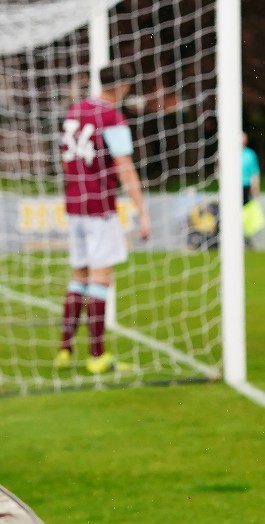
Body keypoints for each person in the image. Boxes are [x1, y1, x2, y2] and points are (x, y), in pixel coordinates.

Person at [56, 64, 152, 375]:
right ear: (123, 87)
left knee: (79, 276)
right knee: (101, 278)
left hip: (74, 204)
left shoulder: (74, 111)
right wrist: (142, 211)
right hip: (99, 206)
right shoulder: (112, 117)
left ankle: (64, 350)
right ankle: (97, 356)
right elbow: (124, 167)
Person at [241, 132, 265, 248]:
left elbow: (255, 172)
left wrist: (256, 187)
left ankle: (245, 236)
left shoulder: (250, 154)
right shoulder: (227, 153)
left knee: (245, 211)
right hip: (231, 188)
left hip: (245, 186)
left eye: (243, 138)